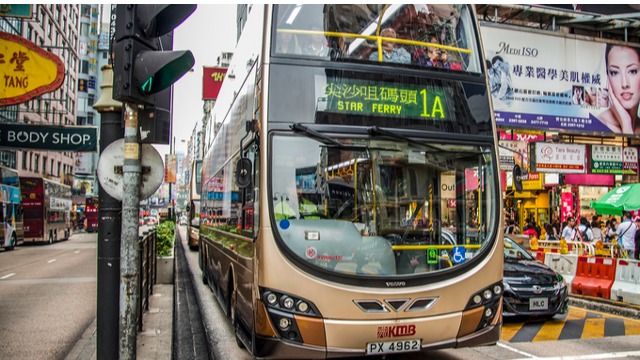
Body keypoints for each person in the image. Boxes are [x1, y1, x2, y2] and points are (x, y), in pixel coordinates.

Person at [596, 44, 640, 135]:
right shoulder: (597, 125)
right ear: (607, 77)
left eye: (632, 71)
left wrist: (627, 125)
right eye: (615, 73)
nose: (624, 84)